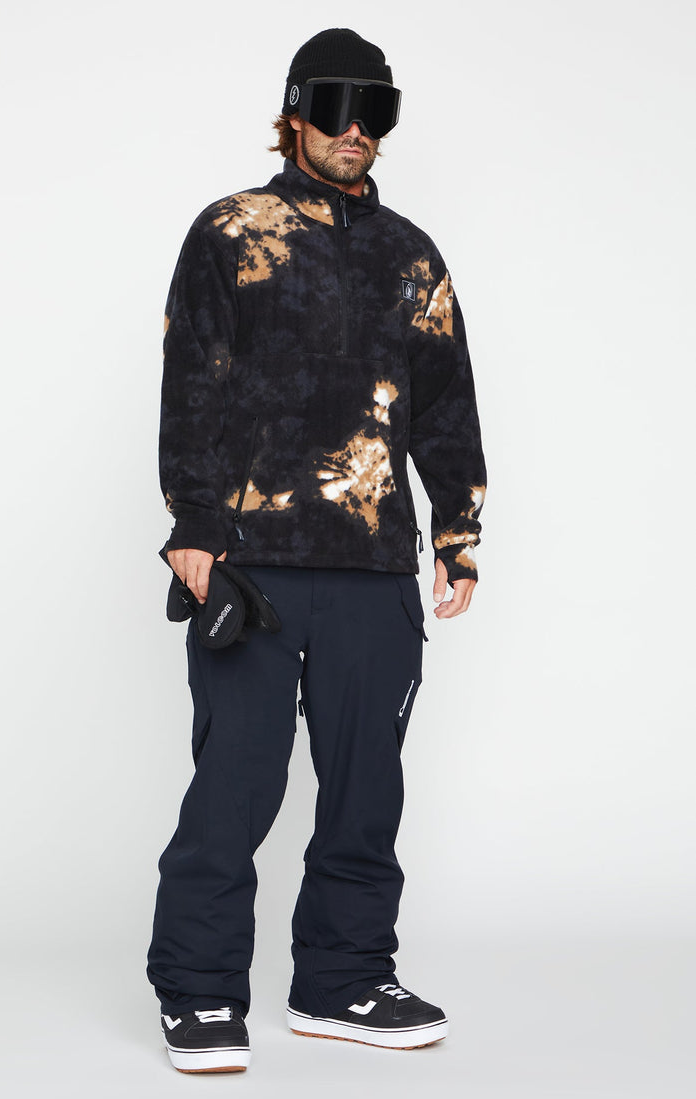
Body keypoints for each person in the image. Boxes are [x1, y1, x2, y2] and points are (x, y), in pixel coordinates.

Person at [146, 28, 487, 1074]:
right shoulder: (231, 231)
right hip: (252, 560)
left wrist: (458, 530)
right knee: (236, 782)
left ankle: (342, 980)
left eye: (376, 111)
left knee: (364, 790)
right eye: (338, 106)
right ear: (294, 112)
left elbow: (445, 403)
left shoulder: (411, 254)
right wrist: (194, 525)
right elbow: (192, 380)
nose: (356, 130)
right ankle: (200, 989)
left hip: (374, 564)